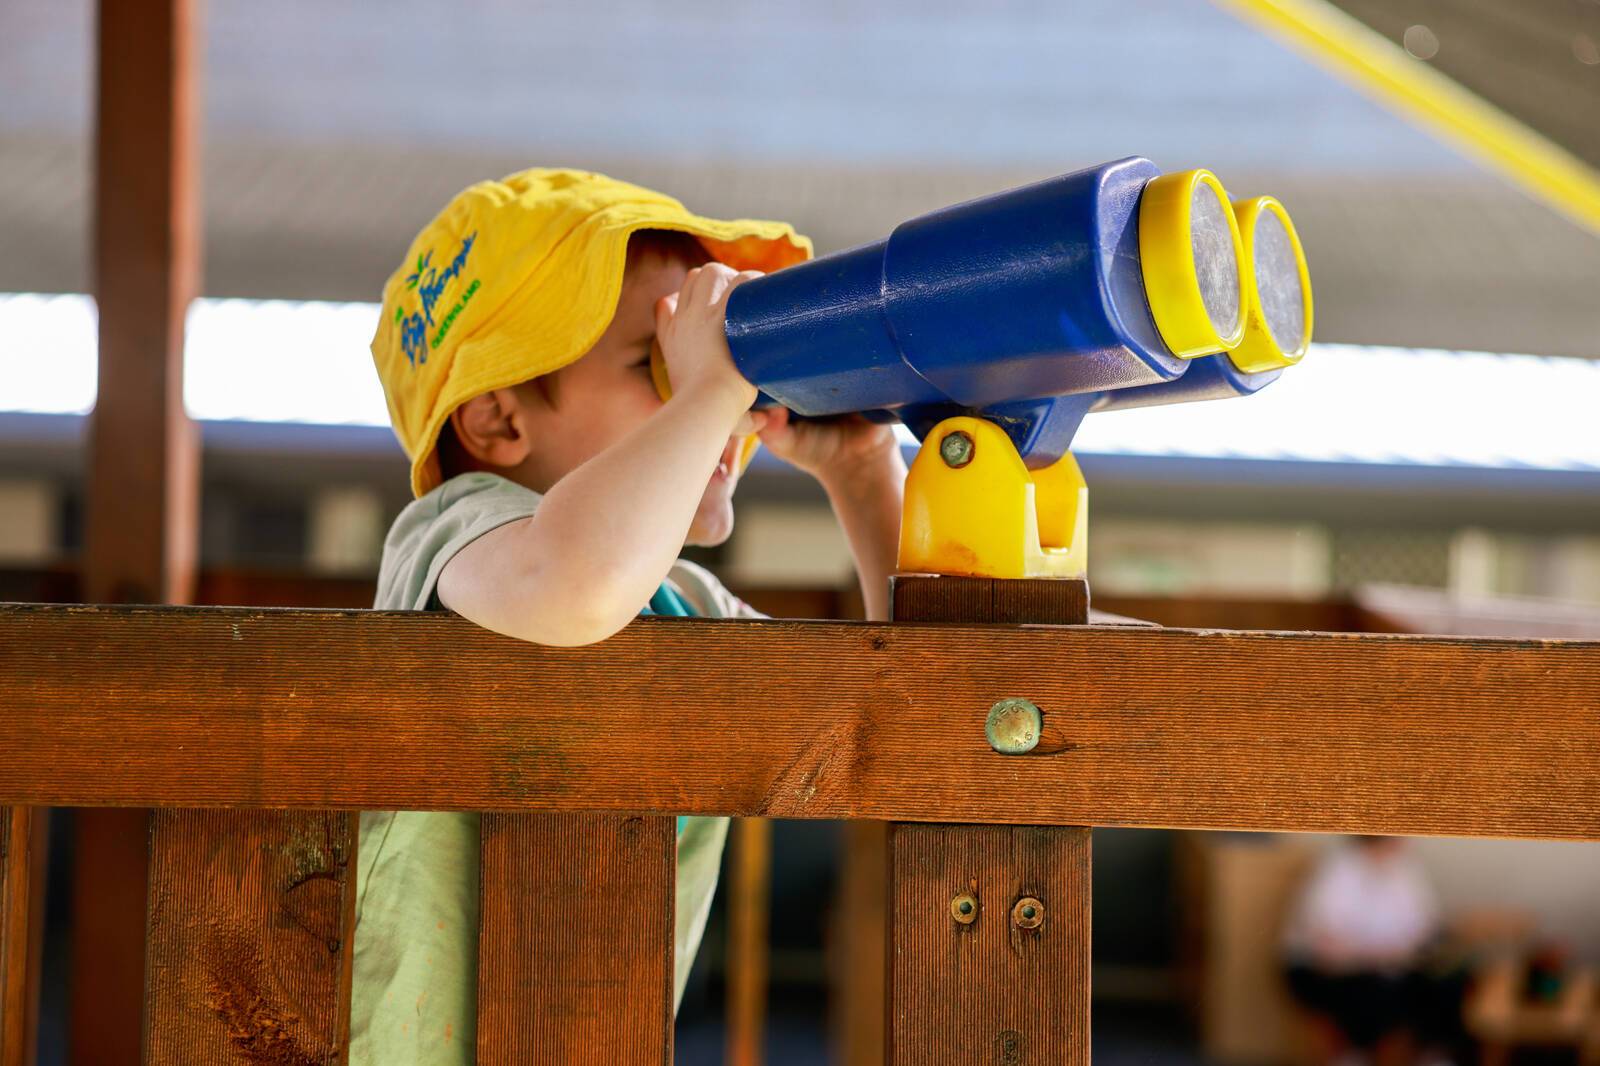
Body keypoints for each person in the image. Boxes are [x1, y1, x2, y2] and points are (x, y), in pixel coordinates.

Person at [352, 169, 906, 1063]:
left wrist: (864, 473)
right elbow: (577, 583)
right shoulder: (458, 533)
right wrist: (708, 396)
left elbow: (913, 707)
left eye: (727, 363)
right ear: (498, 422)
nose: (726, 395)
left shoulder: (686, 604)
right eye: (664, 362)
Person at [1282, 835, 1460, 1066]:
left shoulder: (1404, 868)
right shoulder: (1339, 869)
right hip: (1326, 971)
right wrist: (1383, 955)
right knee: (1373, 994)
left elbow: (1426, 926)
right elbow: (1326, 949)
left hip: (1390, 968)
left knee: (1444, 985)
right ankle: (1354, 1055)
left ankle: (1433, 1057)